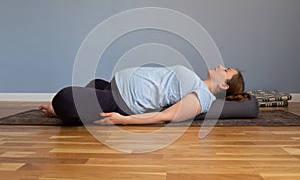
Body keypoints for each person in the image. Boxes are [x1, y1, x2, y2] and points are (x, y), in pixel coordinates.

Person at [39, 65, 250, 125]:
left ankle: (61, 112)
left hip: (122, 102)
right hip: (115, 87)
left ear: (224, 86)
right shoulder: (197, 82)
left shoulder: (203, 98)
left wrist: (125, 120)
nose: (221, 66)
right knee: (95, 84)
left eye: (227, 70)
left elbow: (166, 115)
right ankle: (79, 113)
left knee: (64, 98)